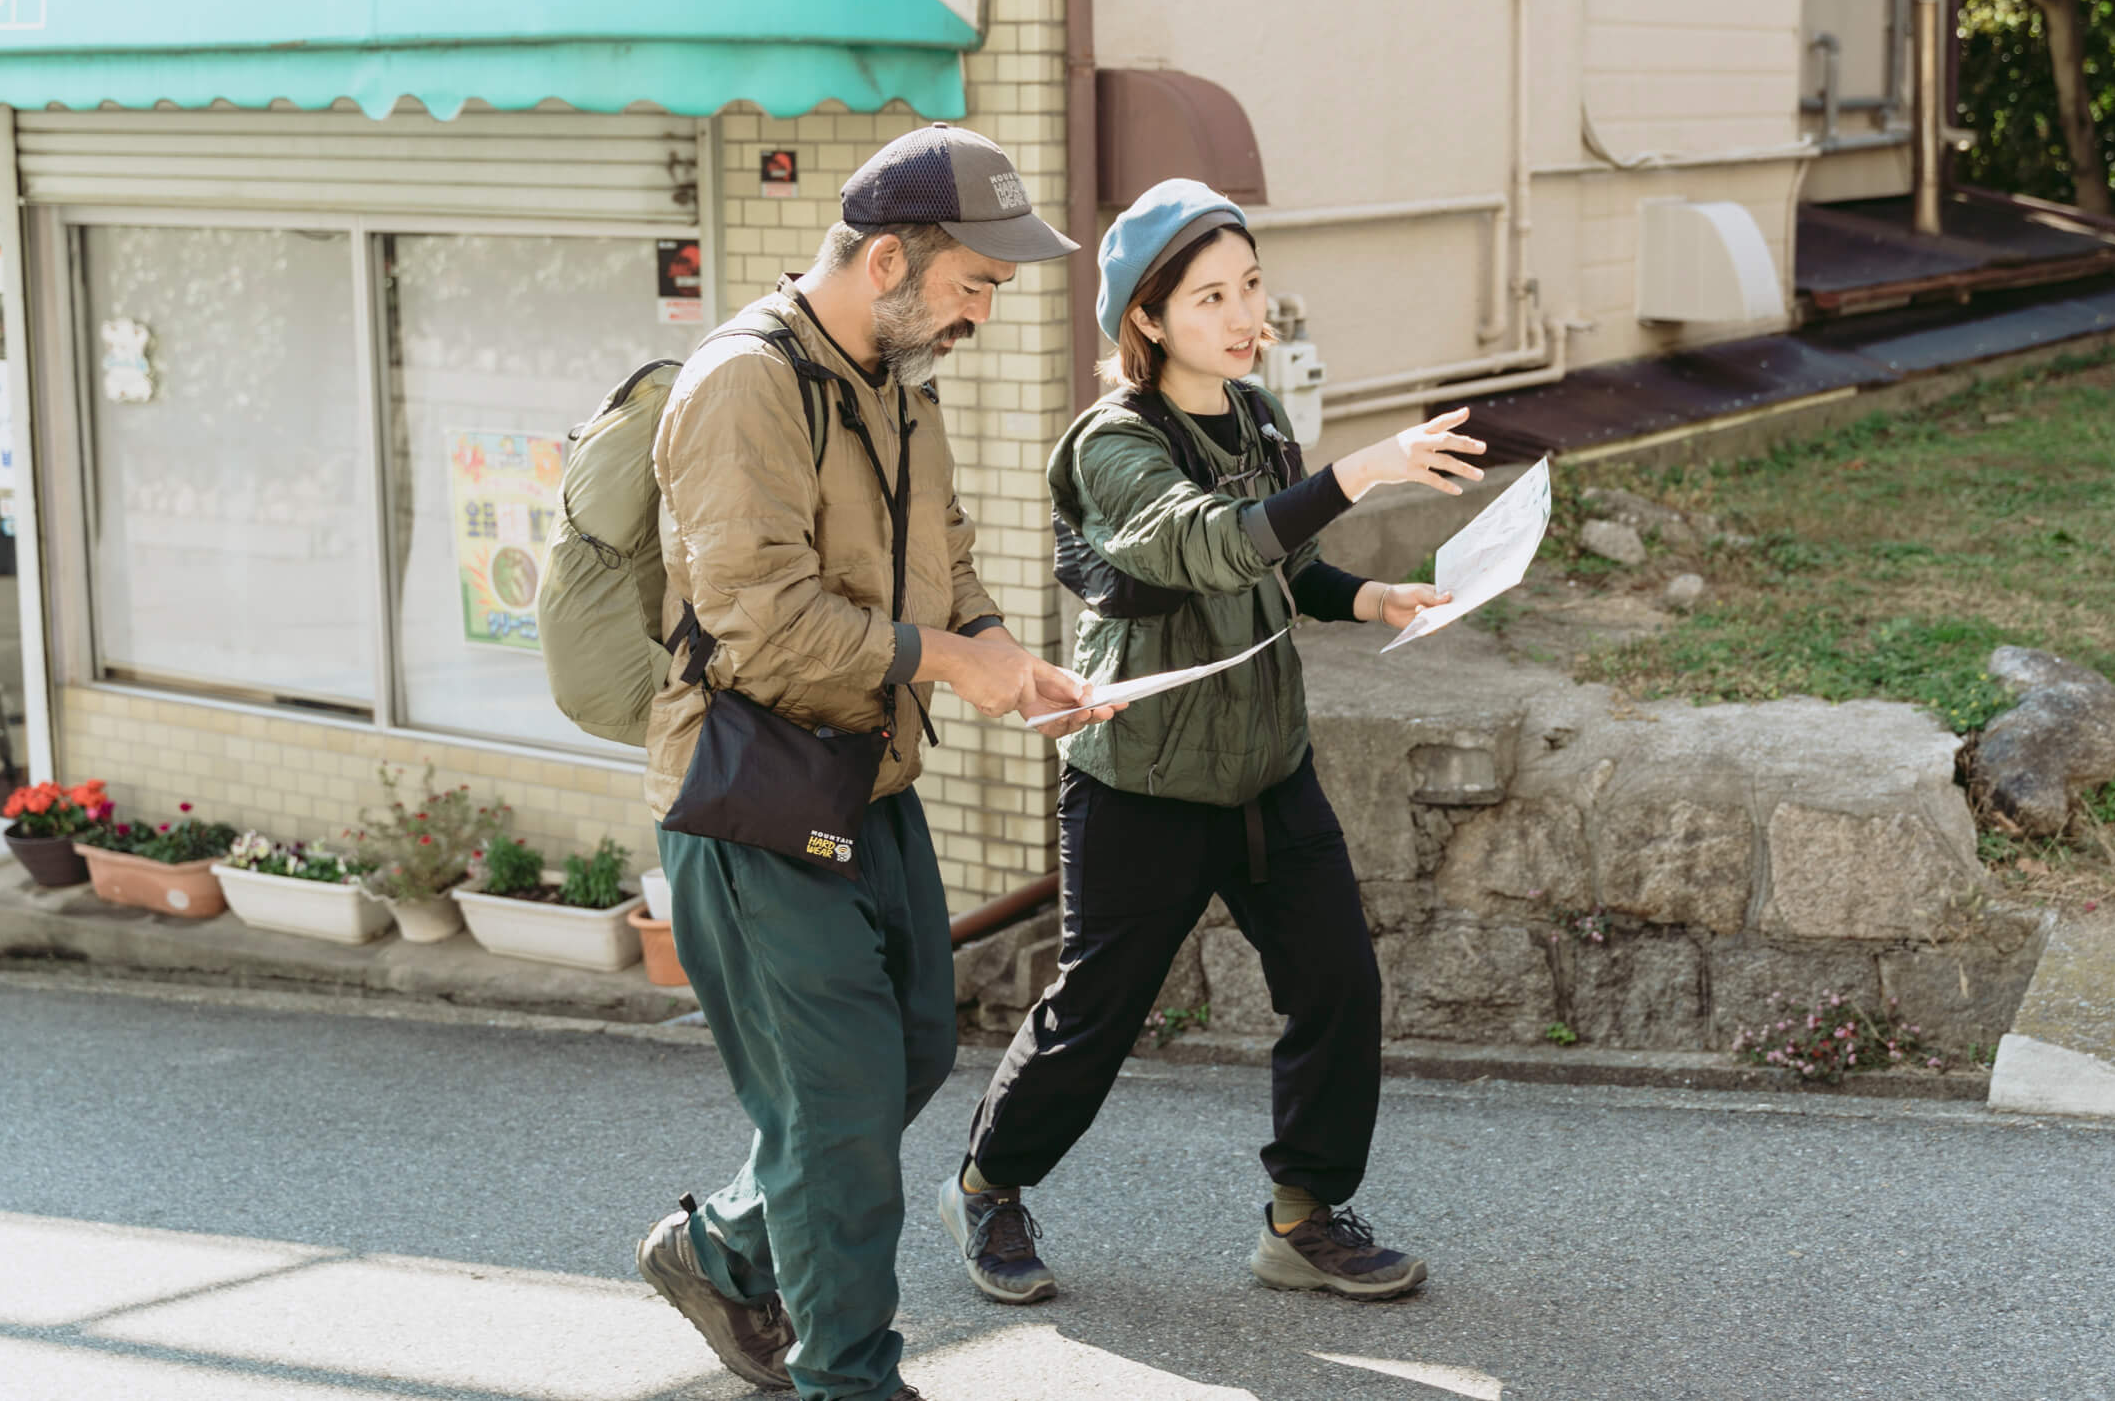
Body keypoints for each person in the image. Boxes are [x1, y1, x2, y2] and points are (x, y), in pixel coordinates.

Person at [942, 177, 1489, 1305]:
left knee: (1337, 983)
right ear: (1145, 318)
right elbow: (1203, 545)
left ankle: (1301, 1215)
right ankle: (988, 1182)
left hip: (1267, 769)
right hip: (1138, 781)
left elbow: (1280, 567)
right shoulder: (1110, 444)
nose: (1244, 315)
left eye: (1249, 286)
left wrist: (1369, 595)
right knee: (1093, 1017)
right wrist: (1361, 472)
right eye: (1209, 297)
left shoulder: (1259, 418)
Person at [636, 124, 1114, 1401]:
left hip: (867, 773)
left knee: (907, 1050)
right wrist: (952, 665)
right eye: (975, 284)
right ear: (890, 258)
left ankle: (721, 1243)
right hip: (752, 792)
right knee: (843, 1112)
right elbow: (762, 620)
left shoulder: (898, 382)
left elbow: (946, 556)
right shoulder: (745, 384)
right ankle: (852, 1376)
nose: (981, 314)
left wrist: (1016, 658)